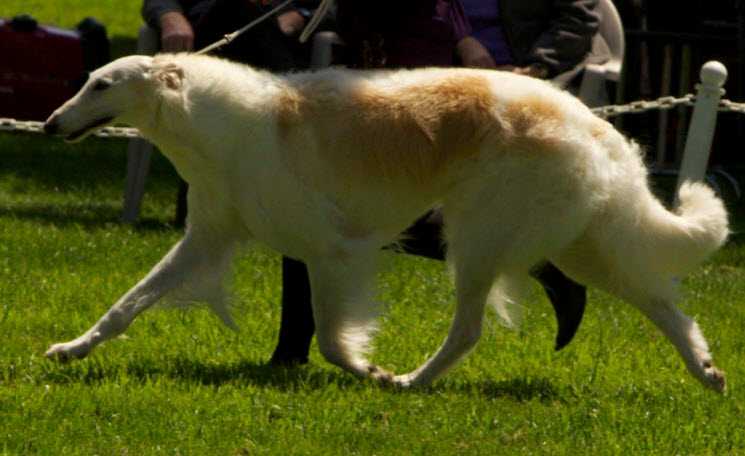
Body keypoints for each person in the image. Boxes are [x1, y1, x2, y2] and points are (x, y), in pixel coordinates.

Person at [270, 0, 589, 365]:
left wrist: (464, 38)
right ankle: (536, 260)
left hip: (402, 45)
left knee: (326, 203)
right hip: (369, 41)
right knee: (323, 203)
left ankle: (290, 352)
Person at [142, 0, 328, 223]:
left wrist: (303, 16)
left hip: (280, 38)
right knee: (231, 10)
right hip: (207, 33)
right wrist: (170, 17)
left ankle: (203, 214)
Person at [456, 0, 611, 89]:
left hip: (548, 70)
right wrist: (460, 40)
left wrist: (536, 69)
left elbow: (579, 20)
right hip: (457, 73)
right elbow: (436, 16)